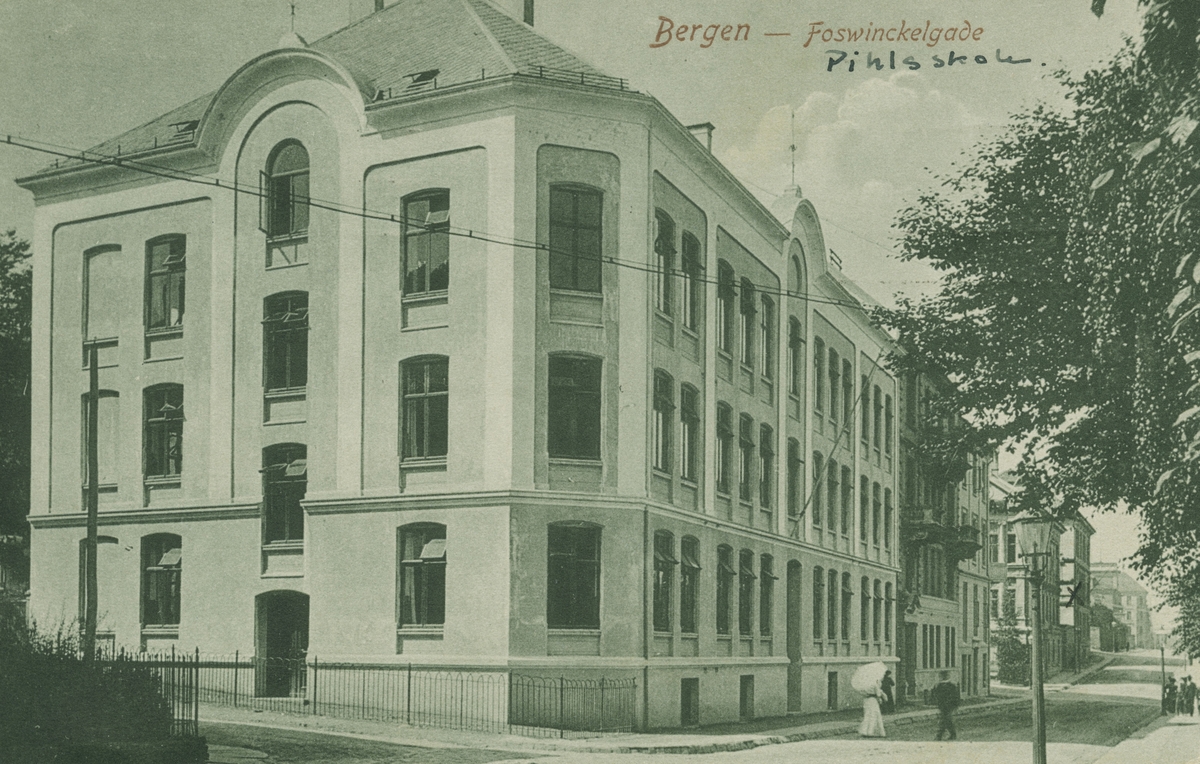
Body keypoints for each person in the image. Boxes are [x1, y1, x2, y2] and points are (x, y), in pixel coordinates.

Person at [931, 671, 961, 741]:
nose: (942, 677)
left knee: (944, 719)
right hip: (943, 706)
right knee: (947, 720)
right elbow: (936, 696)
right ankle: (953, 734)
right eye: (942, 676)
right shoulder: (939, 686)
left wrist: (955, 705)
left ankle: (939, 736)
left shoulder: (951, 686)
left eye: (944, 676)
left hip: (949, 706)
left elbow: (956, 697)